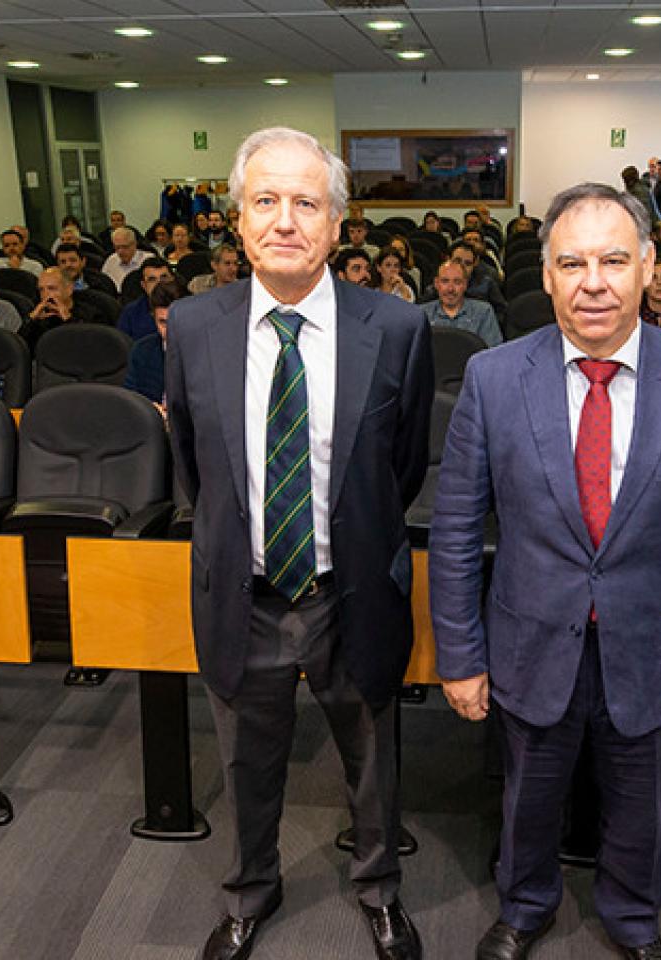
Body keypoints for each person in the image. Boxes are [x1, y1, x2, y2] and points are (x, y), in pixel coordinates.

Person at [431, 182, 661, 960]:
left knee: (639, 806)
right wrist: (460, 657)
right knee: (527, 798)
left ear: (650, 266)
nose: (594, 282)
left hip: (653, 643)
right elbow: (453, 531)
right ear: (544, 274)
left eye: (615, 260)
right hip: (529, 637)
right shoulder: (495, 377)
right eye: (571, 262)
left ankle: (633, 920)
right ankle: (525, 906)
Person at [163, 126, 433, 960]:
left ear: (338, 222)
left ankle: (380, 891)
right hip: (243, 598)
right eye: (266, 201)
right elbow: (195, 471)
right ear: (238, 222)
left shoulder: (395, 327)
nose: (285, 219)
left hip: (349, 591)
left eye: (306, 202)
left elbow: (405, 462)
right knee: (246, 763)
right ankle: (250, 892)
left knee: (372, 762)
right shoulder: (195, 326)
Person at [123, 281, 183, 413]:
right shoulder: (141, 350)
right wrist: (151, 410)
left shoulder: (206, 352)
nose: (169, 330)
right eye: (163, 322)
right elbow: (128, 399)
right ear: (153, 318)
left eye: (176, 321)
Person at [423, 258, 502, 348]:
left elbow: (493, 353)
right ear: (436, 284)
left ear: (465, 284)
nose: (450, 289)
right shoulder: (422, 314)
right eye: (445, 281)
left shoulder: (484, 312)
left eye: (457, 282)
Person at [116, 258, 175, 340]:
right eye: (152, 279)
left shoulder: (187, 308)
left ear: (173, 279)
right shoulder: (130, 312)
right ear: (144, 285)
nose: (159, 283)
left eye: (164, 277)